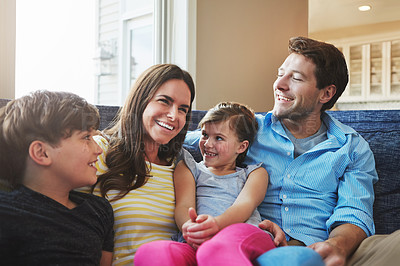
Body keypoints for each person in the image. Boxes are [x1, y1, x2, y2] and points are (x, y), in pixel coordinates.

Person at [184, 36, 380, 266]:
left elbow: (354, 211)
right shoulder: (247, 129)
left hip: (315, 252)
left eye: (295, 78)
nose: (279, 84)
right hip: (252, 243)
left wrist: (336, 245)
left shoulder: (351, 147)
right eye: (280, 74)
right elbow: (180, 140)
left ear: (326, 94)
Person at [135, 102, 275, 265]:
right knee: (152, 252)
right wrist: (190, 228)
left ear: (241, 146)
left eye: (219, 138)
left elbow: (244, 205)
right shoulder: (188, 167)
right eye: (204, 135)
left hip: (244, 234)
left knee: (218, 248)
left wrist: (216, 225)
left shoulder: (255, 173)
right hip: (196, 243)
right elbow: (183, 205)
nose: (208, 144)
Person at [90, 64, 196, 265]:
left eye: (183, 109)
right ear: (141, 100)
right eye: (165, 101)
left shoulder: (182, 165)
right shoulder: (98, 151)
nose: (174, 116)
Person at [0, 91, 114, 265]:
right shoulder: (6, 210)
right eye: (86, 138)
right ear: (42, 153)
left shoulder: (99, 210)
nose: (99, 149)